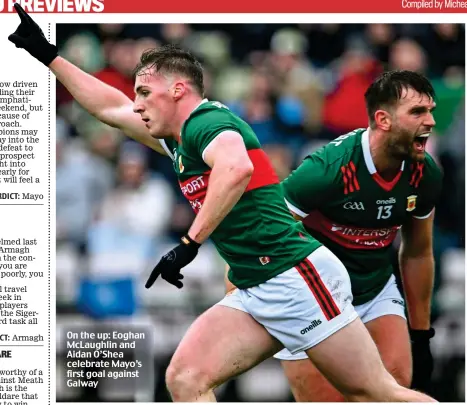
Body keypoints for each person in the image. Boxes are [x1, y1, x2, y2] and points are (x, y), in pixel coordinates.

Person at [8, 6, 438, 402]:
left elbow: (236, 169)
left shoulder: (208, 123)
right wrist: (47, 55)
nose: (136, 102)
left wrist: (190, 244)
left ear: (177, 90)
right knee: (186, 378)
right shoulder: (178, 137)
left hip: (297, 279)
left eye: (144, 92)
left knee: (379, 392)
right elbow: (110, 108)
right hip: (257, 284)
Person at [257, 70, 442, 401]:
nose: (429, 122)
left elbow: (416, 253)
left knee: (396, 389)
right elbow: (262, 234)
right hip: (310, 301)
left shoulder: (424, 173)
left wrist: (421, 334)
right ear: (383, 119)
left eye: (431, 111)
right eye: (417, 112)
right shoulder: (326, 171)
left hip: (374, 289)